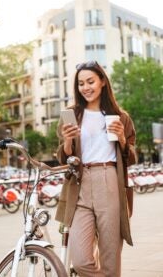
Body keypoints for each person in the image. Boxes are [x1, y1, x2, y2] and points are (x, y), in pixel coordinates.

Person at [55, 60, 137, 277]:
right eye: (81, 83)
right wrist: (67, 141)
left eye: (90, 81)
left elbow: (132, 157)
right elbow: (64, 157)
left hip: (109, 180)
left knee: (110, 256)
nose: (86, 87)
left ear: (102, 81)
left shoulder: (120, 116)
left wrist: (121, 138)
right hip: (79, 184)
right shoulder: (72, 115)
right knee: (81, 261)